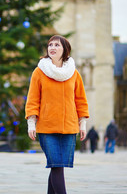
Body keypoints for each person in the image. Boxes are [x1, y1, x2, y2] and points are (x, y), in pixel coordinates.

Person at [26, 35, 89, 194]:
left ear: (65, 50)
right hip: (47, 128)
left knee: (57, 166)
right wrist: (31, 123)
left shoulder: (74, 73)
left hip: (69, 127)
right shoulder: (39, 72)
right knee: (56, 165)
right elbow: (33, 99)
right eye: (50, 45)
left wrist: (82, 123)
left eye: (57, 45)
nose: (52, 47)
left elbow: (80, 99)